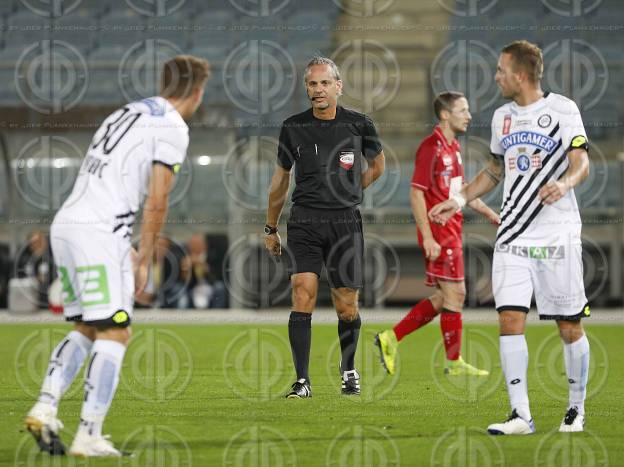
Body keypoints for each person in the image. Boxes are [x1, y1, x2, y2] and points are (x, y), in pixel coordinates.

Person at [24, 55, 211, 457]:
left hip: (69, 224)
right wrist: (145, 256)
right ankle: (89, 433)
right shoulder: (173, 126)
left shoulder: (129, 110)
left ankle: (45, 406)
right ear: (198, 91)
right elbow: (157, 199)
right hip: (99, 230)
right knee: (116, 329)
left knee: (87, 328)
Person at [430, 40, 590, 435]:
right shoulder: (502, 117)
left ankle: (575, 408)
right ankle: (521, 415)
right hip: (514, 232)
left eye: (501, 70)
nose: (496, 77)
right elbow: (495, 171)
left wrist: (565, 183)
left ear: (520, 74)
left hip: (557, 233)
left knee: (568, 325)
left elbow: (581, 162)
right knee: (510, 318)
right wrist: (458, 198)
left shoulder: (562, 109)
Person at [264, 56, 385, 398]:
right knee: (302, 293)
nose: (318, 90)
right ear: (307, 88)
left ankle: (348, 369)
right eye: (312, 84)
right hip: (304, 220)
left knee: (346, 305)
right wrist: (271, 228)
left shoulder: (359, 124)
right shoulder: (292, 126)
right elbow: (280, 179)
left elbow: (378, 164)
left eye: (324, 83)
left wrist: (354, 189)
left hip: (345, 222)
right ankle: (302, 381)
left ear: (338, 86)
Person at [375, 92, 499, 377]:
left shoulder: (452, 148)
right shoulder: (431, 147)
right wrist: (428, 236)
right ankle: (453, 362)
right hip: (440, 233)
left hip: (452, 229)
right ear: (445, 114)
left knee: (446, 297)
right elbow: (416, 192)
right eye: (463, 110)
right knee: (456, 293)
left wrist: (492, 215)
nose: (469, 115)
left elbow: (462, 193)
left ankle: (391, 338)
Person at [16, 230, 55, 308]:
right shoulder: (23, 259)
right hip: (27, 300)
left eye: (40, 241)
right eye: (33, 242)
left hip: (48, 301)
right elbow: (18, 279)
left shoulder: (52, 257)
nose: (36, 245)